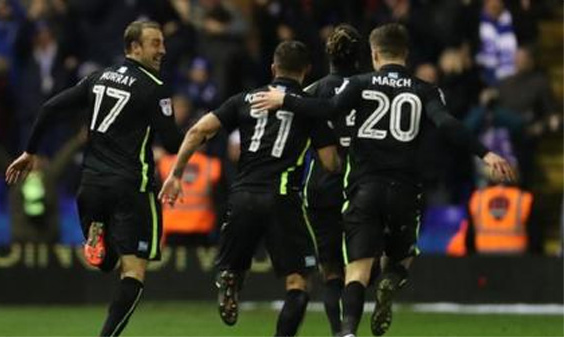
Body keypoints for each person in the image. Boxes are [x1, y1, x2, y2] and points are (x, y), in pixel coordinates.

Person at [251, 23, 516, 337]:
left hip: (363, 187)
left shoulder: (360, 84)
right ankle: (393, 277)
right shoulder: (425, 89)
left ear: (374, 53)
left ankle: (347, 332)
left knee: (357, 271)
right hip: (406, 188)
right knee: (402, 257)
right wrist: (485, 154)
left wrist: (286, 101)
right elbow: (447, 124)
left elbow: (327, 108)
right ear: (406, 53)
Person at [5, 20, 183, 336]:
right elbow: (171, 144)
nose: (163, 50)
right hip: (131, 186)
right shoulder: (154, 87)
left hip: (90, 185)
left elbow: (48, 108)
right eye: (155, 43)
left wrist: (30, 152)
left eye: (162, 43)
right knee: (134, 271)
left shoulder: (98, 77)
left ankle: (97, 236)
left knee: (105, 263)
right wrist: (195, 134)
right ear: (134, 48)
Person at [160, 40, 341, 336]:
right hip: (283, 199)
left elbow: (197, 131)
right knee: (298, 283)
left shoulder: (244, 99)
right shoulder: (309, 110)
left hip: (242, 195)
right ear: (307, 71)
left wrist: (176, 174)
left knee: (233, 265)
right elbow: (331, 163)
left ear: (273, 68)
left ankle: (231, 277)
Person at [301, 23, 361, 336]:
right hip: (361, 186)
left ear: (329, 56)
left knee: (331, 272)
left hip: (322, 187)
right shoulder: (370, 88)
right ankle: (349, 326)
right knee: (361, 267)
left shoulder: (313, 92)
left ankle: (340, 332)